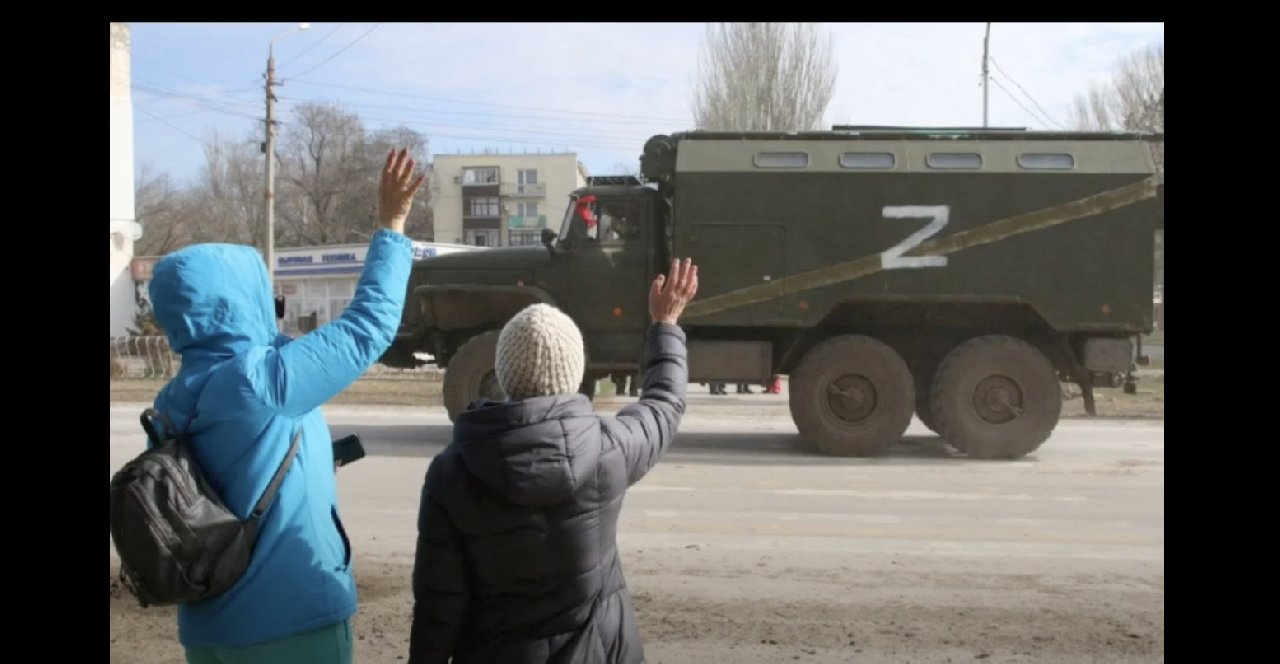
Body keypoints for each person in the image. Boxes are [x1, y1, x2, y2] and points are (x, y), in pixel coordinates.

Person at [147, 148, 424, 664]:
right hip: (289, 624)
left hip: (207, 628)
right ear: (241, 300)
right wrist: (392, 225)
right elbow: (368, 328)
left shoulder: (172, 398)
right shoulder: (259, 382)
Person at [408, 258, 701, 664]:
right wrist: (665, 323)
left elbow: (438, 605)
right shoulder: (608, 450)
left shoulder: (451, 471)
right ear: (574, 371)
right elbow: (665, 402)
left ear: (504, 373)